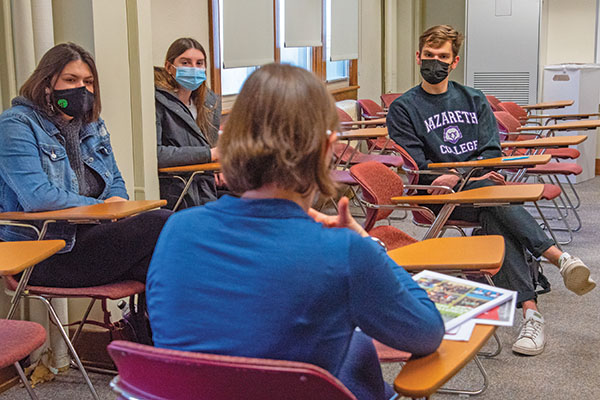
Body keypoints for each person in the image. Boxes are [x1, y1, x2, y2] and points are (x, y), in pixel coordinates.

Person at [147, 63, 444, 400]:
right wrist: (364, 240)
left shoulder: (177, 229)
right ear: (329, 148)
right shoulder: (344, 250)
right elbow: (426, 332)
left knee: (356, 350)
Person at [387, 25, 596, 356]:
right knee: (494, 202)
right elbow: (418, 163)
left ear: (454, 62)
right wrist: (459, 176)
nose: (435, 62)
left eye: (442, 57)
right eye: (429, 56)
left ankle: (531, 313)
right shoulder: (403, 107)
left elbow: (490, 152)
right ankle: (558, 258)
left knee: (494, 214)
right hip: (438, 200)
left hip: (479, 191)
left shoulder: (473, 98)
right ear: (418, 57)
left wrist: (463, 175)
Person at [0, 42, 171, 288]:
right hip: (45, 252)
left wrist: (115, 206)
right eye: (71, 80)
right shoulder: (15, 125)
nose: (81, 88)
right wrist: (102, 208)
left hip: (92, 239)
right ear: (47, 84)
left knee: (166, 265)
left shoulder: (93, 125)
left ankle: (147, 325)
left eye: (88, 82)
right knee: (164, 222)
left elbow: (116, 183)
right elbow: (38, 197)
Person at [154, 38, 222, 209]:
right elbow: (158, 154)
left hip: (206, 187)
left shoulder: (209, 103)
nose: (193, 68)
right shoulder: (157, 101)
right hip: (177, 191)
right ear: (169, 67)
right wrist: (208, 155)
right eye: (185, 62)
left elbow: (212, 147)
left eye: (199, 63)